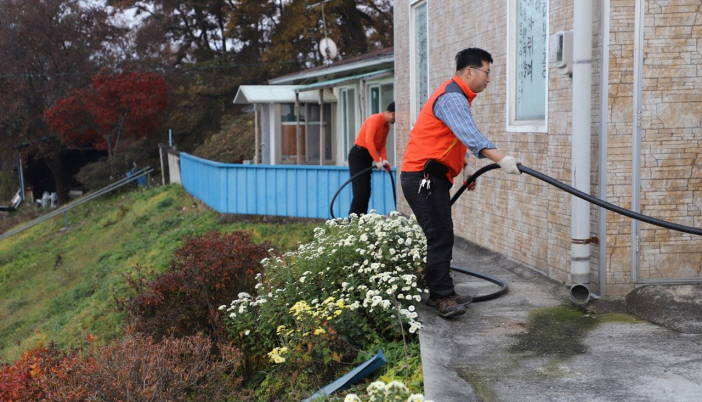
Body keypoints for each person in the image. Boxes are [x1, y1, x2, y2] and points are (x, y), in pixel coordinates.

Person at [400, 48, 522, 318]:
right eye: (486, 72)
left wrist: (465, 167)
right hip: (423, 178)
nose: (488, 78)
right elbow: (471, 135)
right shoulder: (452, 98)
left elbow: (452, 138)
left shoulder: (456, 95)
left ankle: (441, 292)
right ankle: (443, 297)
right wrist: (502, 159)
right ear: (469, 71)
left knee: (441, 232)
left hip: (432, 176)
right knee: (440, 234)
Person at [348, 101, 396, 215]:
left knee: (366, 192)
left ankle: (362, 219)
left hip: (367, 157)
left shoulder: (386, 126)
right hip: (358, 155)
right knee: (360, 192)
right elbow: (368, 141)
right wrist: (377, 160)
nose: (395, 121)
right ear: (393, 114)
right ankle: (352, 220)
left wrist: (385, 160)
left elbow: (382, 145)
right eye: (396, 118)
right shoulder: (375, 119)